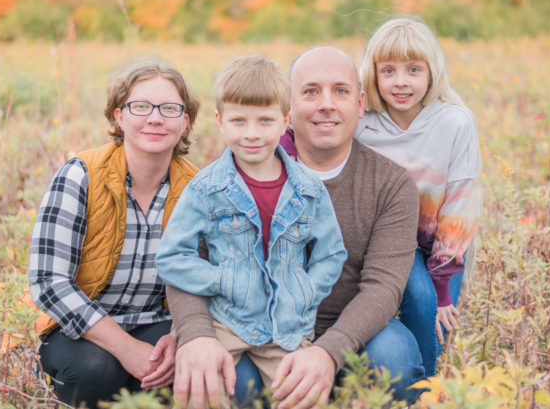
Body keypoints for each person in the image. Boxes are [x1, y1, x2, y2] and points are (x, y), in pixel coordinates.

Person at [166, 46, 425, 409]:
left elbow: (384, 286)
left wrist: (328, 352)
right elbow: (185, 261)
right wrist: (195, 333)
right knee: (226, 383)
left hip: (349, 323)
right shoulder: (227, 180)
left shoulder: (391, 183)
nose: (326, 105)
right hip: (250, 325)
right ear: (288, 107)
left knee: (393, 360)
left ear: (360, 103)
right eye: (310, 91)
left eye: (340, 91)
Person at [155, 54, 347, 406]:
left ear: (285, 121)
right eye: (239, 121)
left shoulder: (308, 189)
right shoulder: (206, 189)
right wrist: (223, 280)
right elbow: (172, 256)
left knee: (303, 397)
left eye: (265, 120)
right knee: (200, 391)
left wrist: (305, 289)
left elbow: (331, 253)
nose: (252, 134)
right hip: (226, 320)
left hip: (288, 325)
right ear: (220, 121)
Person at [28, 59, 200, 408]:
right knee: (96, 370)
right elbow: (49, 281)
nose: (155, 118)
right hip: (81, 329)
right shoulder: (80, 175)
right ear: (119, 116)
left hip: (159, 324)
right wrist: (127, 349)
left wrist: (180, 333)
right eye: (141, 106)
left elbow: (210, 279)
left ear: (185, 122)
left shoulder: (199, 189)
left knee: (187, 366)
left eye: (169, 108)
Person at [354, 15, 482, 377]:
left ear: (431, 72)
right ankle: (413, 383)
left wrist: (444, 284)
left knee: (438, 307)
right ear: (374, 74)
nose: (401, 82)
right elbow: (312, 132)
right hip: (392, 239)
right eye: (389, 70)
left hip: (445, 240)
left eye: (413, 69)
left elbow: (459, 206)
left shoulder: (454, 122)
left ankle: (426, 383)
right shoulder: (364, 124)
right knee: (421, 299)